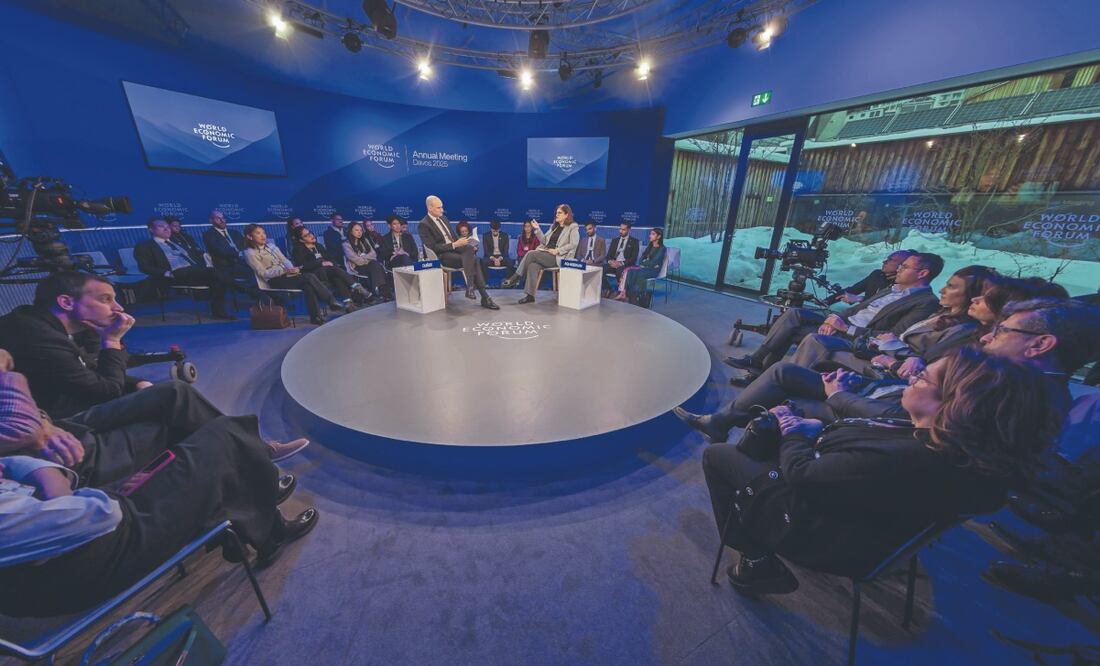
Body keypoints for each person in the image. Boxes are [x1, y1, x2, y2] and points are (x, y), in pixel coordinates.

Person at [702, 348, 1058, 595]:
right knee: (771, 432)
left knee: (720, 456)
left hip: (818, 531)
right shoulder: (964, 451)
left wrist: (794, 431)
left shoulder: (905, 457)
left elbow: (803, 475)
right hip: (879, 533)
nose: (913, 376)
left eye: (923, 379)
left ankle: (755, 559)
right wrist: (815, 430)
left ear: (957, 405)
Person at [0, 375, 316, 616]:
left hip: (69, 524)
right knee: (225, 437)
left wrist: (28, 453)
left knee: (182, 415)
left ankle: (248, 506)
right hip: (88, 556)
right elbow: (95, 515)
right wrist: (42, 471)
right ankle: (265, 520)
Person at [724, 252, 944, 382]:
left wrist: (843, 328)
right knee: (793, 313)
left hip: (856, 338)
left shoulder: (925, 302)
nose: (898, 269)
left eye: (904, 266)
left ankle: (759, 374)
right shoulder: (892, 288)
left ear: (922, 273)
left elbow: (891, 337)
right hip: (844, 324)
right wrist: (834, 319)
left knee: (793, 331)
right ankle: (757, 360)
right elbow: (854, 310)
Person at [0, 272, 150, 419]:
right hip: (47, 421)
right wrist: (111, 340)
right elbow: (107, 392)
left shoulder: (38, 321)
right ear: (66, 302)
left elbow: (90, 370)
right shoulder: (39, 338)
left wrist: (137, 383)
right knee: (167, 398)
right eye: (106, 299)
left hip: (58, 400)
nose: (118, 308)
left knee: (161, 395)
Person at [789, 264, 992, 372]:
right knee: (794, 317)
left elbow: (918, 358)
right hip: (873, 344)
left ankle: (788, 379)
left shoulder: (930, 305)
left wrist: (847, 329)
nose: (942, 290)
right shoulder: (940, 312)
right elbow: (856, 306)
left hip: (880, 354)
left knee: (813, 340)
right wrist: (832, 319)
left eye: (951, 286)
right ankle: (766, 364)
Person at [134, 217, 237, 320]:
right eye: (161, 226)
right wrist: (166, 273)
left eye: (167, 226)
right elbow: (144, 267)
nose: (167, 229)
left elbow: (196, 258)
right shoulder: (145, 246)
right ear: (151, 230)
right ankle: (245, 289)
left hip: (193, 272)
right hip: (173, 275)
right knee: (216, 272)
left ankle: (218, 312)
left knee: (218, 278)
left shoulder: (178, 243)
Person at [243, 224, 343, 326]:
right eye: (258, 233)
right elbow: (262, 273)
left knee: (308, 286)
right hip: (274, 280)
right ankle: (331, 301)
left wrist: (291, 269)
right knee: (308, 276)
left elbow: (285, 260)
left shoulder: (271, 247)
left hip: (288, 275)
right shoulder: (249, 253)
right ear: (249, 237)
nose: (263, 235)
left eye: (263, 232)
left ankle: (316, 317)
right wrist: (284, 271)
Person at [417, 195, 499, 310]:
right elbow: (433, 247)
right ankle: (482, 295)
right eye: (438, 208)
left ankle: (471, 288)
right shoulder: (423, 224)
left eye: (442, 207)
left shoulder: (444, 218)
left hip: (455, 250)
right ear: (430, 208)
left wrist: (465, 242)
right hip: (442, 255)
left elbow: (454, 237)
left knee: (469, 249)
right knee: (475, 260)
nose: (442, 210)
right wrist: (454, 245)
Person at [504, 204, 580, 304]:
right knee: (533, 265)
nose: (556, 215)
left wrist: (558, 250)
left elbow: (574, 244)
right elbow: (544, 241)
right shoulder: (554, 227)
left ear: (566, 215)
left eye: (559, 213)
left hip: (558, 257)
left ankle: (515, 277)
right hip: (546, 253)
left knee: (531, 254)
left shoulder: (573, 227)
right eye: (556, 213)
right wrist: (537, 229)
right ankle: (530, 296)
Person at [290, 228, 366, 309]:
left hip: (328, 272)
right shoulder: (297, 250)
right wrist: (320, 263)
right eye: (306, 235)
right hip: (314, 274)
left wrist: (331, 263)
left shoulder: (318, 246)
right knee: (335, 271)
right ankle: (357, 287)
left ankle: (348, 303)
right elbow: (302, 266)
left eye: (310, 233)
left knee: (337, 277)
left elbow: (330, 258)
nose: (311, 236)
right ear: (301, 240)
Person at [202, 210, 258, 295]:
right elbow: (221, 251)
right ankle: (254, 294)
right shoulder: (209, 235)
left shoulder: (234, 233)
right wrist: (239, 253)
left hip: (242, 262)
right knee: (253, 273)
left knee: (260, 269)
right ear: (211, 221)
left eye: (223, 218)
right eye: (218, 218)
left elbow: (245, 246)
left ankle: (258, 295)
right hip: (225, 266)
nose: (222, 220)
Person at [836, 249, 915, 304]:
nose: (884, 262)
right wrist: (826, 302)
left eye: (890, 260)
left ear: (902, 265)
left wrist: (859, 299)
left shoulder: (902, 284)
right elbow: (852, 290)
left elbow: (885, 304)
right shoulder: (877, 274)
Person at [615, 227, 666, 305]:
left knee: (636, 273)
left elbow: (654, 262)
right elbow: (641, 260)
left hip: (654, 271)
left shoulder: (662, 248)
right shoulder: (650, 246)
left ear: (659, 237)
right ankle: (625, 293)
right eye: (650, 234)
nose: (650, 236)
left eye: (653, 234)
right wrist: (646, 262)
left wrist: (646, 262)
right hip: (645, 268)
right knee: (630, 271)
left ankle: (632, 296)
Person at [343, 221, 390, 300]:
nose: (359, 232)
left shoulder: (365, 241)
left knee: (376, 265)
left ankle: (379, 293)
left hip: (370, 265)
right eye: (356, 230)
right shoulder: (346, 245)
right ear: (351, 231)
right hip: (357, 268)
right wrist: (367, 258)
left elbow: (374, 254)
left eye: (361, 230)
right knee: (376, 265)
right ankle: (384, 293)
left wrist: (364, 257)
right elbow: (358, 261)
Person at [603, 222, 640, 295]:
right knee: (600, 269)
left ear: (629, 230)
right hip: (614, 264)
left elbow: (633, 258)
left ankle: (622, 292)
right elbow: (608, 255)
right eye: (620, 229)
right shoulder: (615, 240)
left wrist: (621, 263)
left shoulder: (634, 242)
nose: (621, 231)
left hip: (626, 265)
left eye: (623, 230)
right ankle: (609, 289)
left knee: (620, 271)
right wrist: (611, 262)